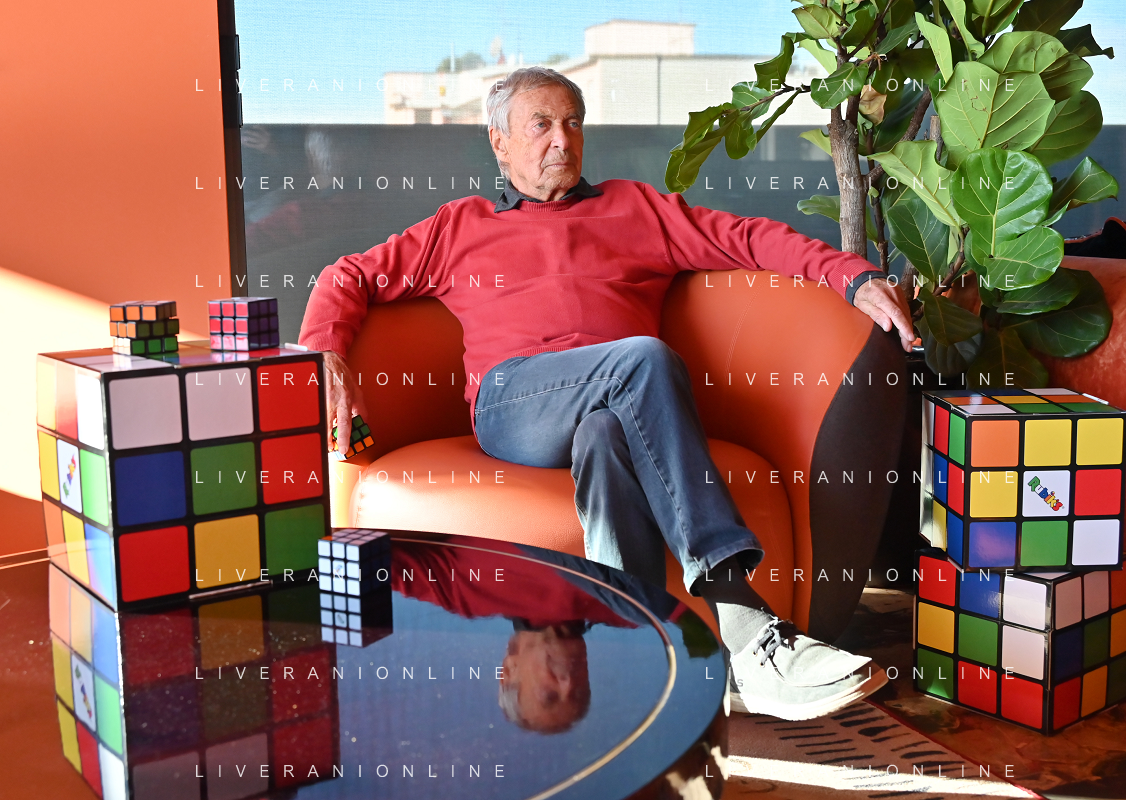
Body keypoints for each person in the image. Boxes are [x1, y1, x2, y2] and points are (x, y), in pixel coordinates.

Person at [299, 66, 916, 722]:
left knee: (606, 432)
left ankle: (641, 654)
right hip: (513, 404)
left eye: (572, 123)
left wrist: (851, 276)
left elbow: (745, 238)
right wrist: (325, 352)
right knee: (640, 361)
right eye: (541, 125)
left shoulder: (635, 209)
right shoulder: (459, 226)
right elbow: (349, 275)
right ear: (499, 142)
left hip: (616, 404)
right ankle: (743, 624)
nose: (561, 139)